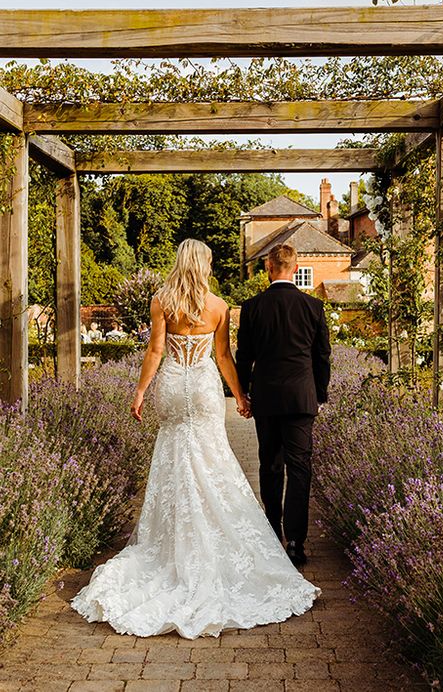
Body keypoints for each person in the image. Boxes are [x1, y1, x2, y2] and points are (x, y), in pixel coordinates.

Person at [70, 239, 320, 639]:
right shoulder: (219, 306)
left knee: (174, 453)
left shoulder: (161, 301)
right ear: (203, 266)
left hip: (172, 383)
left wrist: (139, 392)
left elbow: (154, 351)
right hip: (204, 388)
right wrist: (239, 395)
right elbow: (223, 357)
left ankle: (173, 542)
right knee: (212, 456)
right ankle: (225, 534)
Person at [236, 244, 331, 568]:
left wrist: (243, 393)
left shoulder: (252, 307)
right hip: (302, 399)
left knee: (270, 466)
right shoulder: (313, 307)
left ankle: (271, 534)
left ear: (268, 267)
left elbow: (243, 356)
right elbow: (322, 357)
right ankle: (295, 542)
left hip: (267, 398)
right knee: (300, 468)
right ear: (295, 267)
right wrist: (319, 394)